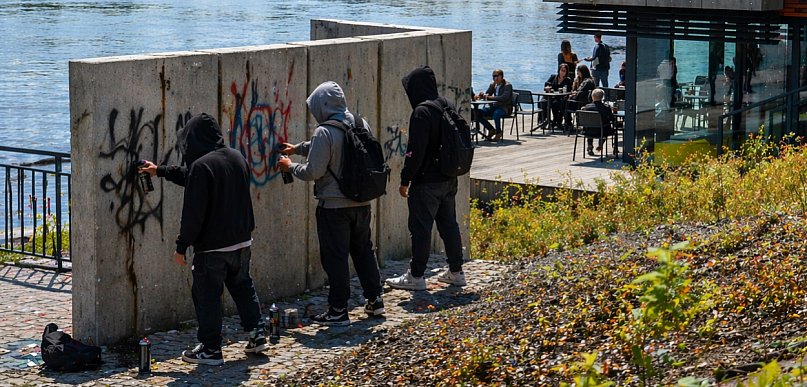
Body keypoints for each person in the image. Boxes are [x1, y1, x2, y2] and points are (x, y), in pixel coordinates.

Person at [138, 113, 268, 366]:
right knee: (242, 286)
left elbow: (193, 214)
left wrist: (181, 246)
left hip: (213, 247)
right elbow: (194, 177)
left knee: (207, 295)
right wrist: (161, 171)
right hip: (242, 240)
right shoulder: (236, 156)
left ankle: (210, 349)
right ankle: (257, 334)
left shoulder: (201, 166)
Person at [277, 81, 384, 326]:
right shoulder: (360, 122)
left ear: (322, 106)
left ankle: (338, 310)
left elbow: (313, 171)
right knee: (364, 252)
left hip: (334, 208)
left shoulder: (323, 131)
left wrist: (289, 166)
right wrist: (298, 148)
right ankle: (375, 300)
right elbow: (327, 147)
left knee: (335, 258)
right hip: (362, 201)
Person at [386, 65, 466, 291]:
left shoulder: (421, 112)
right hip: (449, 177)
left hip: (427, 182)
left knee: (420, 229)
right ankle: (456, 271)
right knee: (449, 224)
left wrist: (404, 180)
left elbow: (414, 151)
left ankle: (416, 276)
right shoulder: (446, 104)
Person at [474, 69, 513, 142]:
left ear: (501, 76)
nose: (495, 78)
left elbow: (504, 98)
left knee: (496, 114)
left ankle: (499, 132)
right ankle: (491, 129)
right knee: (477, 113)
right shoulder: (493, 84)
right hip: (494, 107)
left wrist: (489, 97)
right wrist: (481, 95)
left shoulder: (507, 85)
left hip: (504, 108)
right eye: (493, 76)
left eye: (496, 76)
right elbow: (488, 93)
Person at [581, 88, 616, 156]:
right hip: (602, 131)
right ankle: (601, 143)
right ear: (602, 97)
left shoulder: (586, 107)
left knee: (590, 124)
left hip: (588, 131)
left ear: (592, 96)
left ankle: (590, 145)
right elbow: (612, 119)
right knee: (607, 126)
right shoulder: (606, 107)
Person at [564, 64, 596, 131]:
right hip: (585, 102)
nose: (578, 74)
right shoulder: (583, 80)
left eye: (578, 72)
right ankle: (567, 123)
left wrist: (572, 95)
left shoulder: (586, 81)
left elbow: (579, 92)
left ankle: (568, 123)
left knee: (564, 103)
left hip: (580, 103)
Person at [542, 63, 573, 128]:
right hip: (550, 96)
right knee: (543, 102)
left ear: (566, 72)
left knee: (555, 104)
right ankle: (543, 120)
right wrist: (547, 88)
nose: (562, 72)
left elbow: (570, 90)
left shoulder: (568, 80)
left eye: (564, 71)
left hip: (560, 97)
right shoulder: (553, 77)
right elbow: (546, 85)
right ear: (559, 70)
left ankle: (556, 121)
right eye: (561, 70)